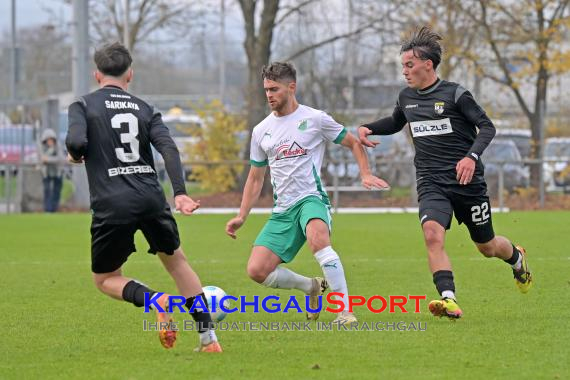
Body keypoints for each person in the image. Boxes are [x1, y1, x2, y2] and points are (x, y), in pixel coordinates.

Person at [357, 26, 533, 319]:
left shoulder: (456, 94)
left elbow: (487, 127)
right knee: (432, 235)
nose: (405, 71)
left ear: (428, 65)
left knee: (487, 247)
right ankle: (448, 298)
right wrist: (368, 128)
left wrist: (471, 157)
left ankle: (517, 257)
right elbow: (395, 122)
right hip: (431, 182)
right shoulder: (406, 97)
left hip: (467, 183)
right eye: (403, 66)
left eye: (409, 65)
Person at [66, 42, 221, 352]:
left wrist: (77, 154)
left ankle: (156, 300)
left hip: (113, 202)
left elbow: (75, 140)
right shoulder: (145, 108)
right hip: (151, 196)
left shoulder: (82, 105)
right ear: (130, 75)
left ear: (97, 75)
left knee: (105, 278)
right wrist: (180, 193)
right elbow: (168, 149)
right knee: (177, 263)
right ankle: (209, 340)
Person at [225, 62, 389, 323]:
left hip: (311, 198)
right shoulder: (260, 131)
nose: (269, 95)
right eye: (266, 89)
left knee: (318, 241)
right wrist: (242, 216)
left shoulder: (315, 119)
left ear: (292, 87)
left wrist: (365, 173)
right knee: (257, 270)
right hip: (282, 210)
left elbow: (353, 143)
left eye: (274, 89)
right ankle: (311, 287)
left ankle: (344, 311)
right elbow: (255, 178)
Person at [40, 128, 63, 212]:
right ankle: (48, 210)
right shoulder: (42, 147)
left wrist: (48, 159)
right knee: (47, 191)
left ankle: (54, 209)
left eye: (51, 139)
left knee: (56, 191)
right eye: (48, 140)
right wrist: (50, 152)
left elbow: (60, 158)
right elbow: (42, 158)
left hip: (57, 172)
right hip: (46, 173)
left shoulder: (58, 146)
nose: (50, 141)